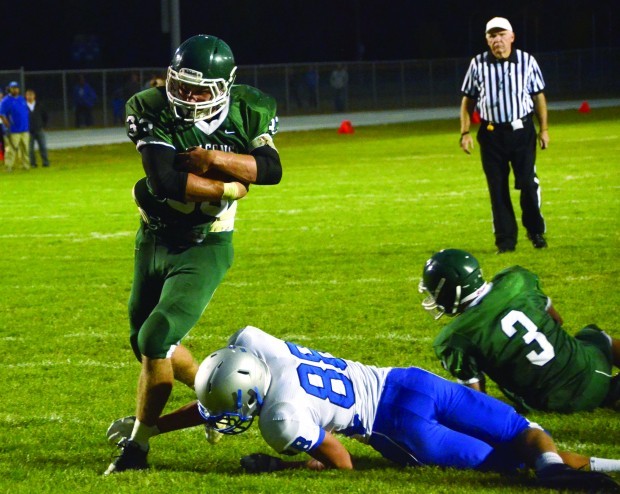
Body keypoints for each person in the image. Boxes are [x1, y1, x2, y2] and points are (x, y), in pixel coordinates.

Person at [106, 326, 620, 492]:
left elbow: (342, 461)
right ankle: (567, 464)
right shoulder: (258, 346)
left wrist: (289, 463)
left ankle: (552, 471)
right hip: (410, 383)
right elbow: (227, 397)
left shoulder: (279, 417)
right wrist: (145, 426)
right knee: (523, 429)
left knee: (509, 464)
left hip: (397, 428)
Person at [103, 34, 282, 475]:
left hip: (206, 243)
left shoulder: (250, 107)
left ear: (224, 86)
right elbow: (164, 179)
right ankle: (214, 400)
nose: (185, 96)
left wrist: (212, 159)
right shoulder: (148, 106)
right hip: (154, 237)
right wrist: (229, 183)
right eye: (180, 85)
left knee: (154, 338)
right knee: (144, 341)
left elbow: (272, 170)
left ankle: (138, 447)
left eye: (198, 90)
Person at [418, 248, 620, 413]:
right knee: (595, 337)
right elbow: (557, 319)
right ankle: (610, 392)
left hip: (551, 403)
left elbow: (476, 397)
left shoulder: (454, 338)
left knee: (587, 341)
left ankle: (610, 395)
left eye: (434, 292)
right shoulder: (516, 280)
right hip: (592, 371)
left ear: (452, 291)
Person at [459, 17, 549, 254]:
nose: (497, 40)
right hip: (490, 135)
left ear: (512, 36)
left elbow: (538, 96)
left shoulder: (527, 61)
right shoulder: (477, 64)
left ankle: (535, 229)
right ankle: (505, 242)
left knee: (528, 184)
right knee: (497, 190)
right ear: (487, 40)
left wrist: (545, 129)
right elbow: (468, 100)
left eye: (501, 35)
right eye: (492, 36)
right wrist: (465, 131)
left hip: (522, 132)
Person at [0, 81, 30, 171]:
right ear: (9, 89)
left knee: (25, 149)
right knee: (12, 150)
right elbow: (1, 114)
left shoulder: (21, 99)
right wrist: (7, 124)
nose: (15, 90)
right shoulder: (6, 100)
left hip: (24, 129)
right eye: (13, 88)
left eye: (16, 88)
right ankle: (8, 166)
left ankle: (26, 166)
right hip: (13, 129)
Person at [25, 89, 50, 168]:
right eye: (28, 95)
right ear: (26, 96)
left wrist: (43, 125)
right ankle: (33, 163)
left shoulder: (39, 105)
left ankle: (45, 163)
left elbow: (45, 116)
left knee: (43, 147)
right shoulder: (23, 106)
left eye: (31, 95)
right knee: (30, 149)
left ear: (34, 96)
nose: (29, 97)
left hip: (39, 129)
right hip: (29, 130)